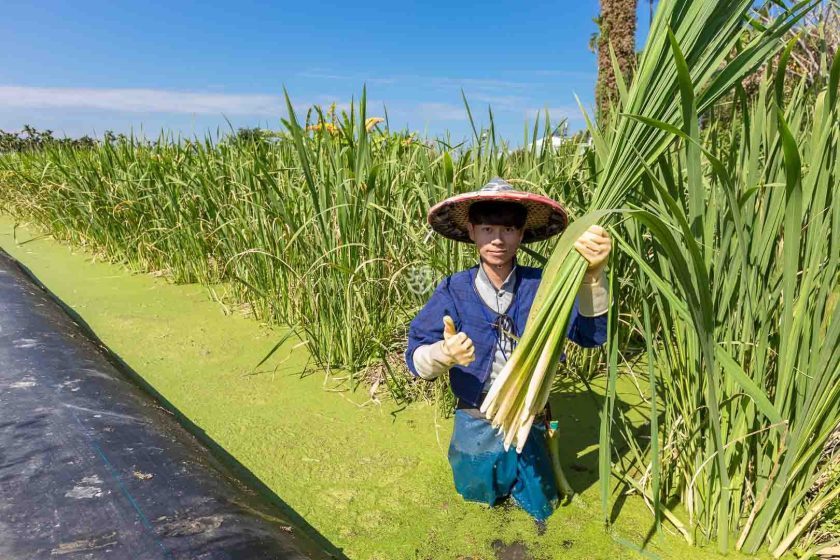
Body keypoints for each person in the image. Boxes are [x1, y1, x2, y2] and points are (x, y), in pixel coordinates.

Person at [404, 177, 611, 523]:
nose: (497, 240)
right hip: (475, 418)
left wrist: (594, 277)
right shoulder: (454, 290)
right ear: (471, 232)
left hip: (528, 419)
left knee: (541, 504)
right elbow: (415, 358)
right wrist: (444, 354)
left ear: (521, 234)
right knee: (473, 498)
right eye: (487, 228)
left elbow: (592, 335)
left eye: (508, 230)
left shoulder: (543, 286)